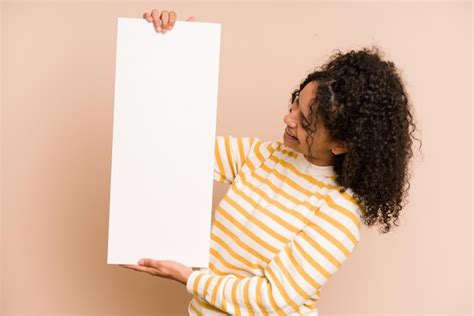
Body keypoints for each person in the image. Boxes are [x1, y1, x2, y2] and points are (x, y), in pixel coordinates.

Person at [120, 9, 419, 316]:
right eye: (294, 103)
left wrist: (189, 277)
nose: (288, 119)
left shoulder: (339, 212)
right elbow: (173, 151)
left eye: (305, 122)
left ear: (342, 145)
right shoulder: (262, 156)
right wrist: (173, 55)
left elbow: (272, 297)